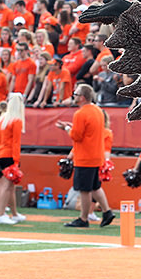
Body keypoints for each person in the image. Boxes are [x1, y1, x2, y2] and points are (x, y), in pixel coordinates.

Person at [56, 84, 115, 228]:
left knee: (85, 189)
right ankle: (107, 211)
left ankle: (83, 218)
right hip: (96, 155)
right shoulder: (98, 110)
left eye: (76, 94)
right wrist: (71, 127)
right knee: (95, 187)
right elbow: (88, 132)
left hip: (85, 157)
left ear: (82, 97)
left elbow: (76, 136)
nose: (74, 96)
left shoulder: (80, 113)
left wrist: (67, 128)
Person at [0, 93, 25, 225]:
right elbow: (16, 143)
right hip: (9, 155)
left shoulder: (2, 119)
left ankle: (5, 213)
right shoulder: (16, 120)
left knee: (5, 186)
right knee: (6, 186)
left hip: (1, 154)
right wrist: (16, 161)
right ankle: (1, 214)